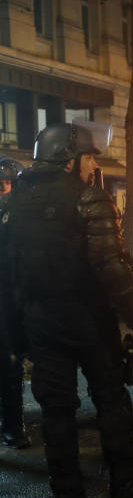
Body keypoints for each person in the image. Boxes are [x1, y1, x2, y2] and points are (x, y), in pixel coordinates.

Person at [1, 122, 133, 498]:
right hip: (89, 320)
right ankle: (125, 497)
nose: (92, 165)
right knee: (111, 405)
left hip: (40, 324)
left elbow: (8, 273)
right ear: (70, 159)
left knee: (57, 414)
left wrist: (16, 333)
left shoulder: (14, 201)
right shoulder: (90, 199)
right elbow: (111, 270)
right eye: (88, 157)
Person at [0, 157, 30, 448]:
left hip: (13, 297)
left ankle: (13, 424)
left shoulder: (22, 213)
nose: (4, 186)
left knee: (11, 362)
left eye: (8, 181)